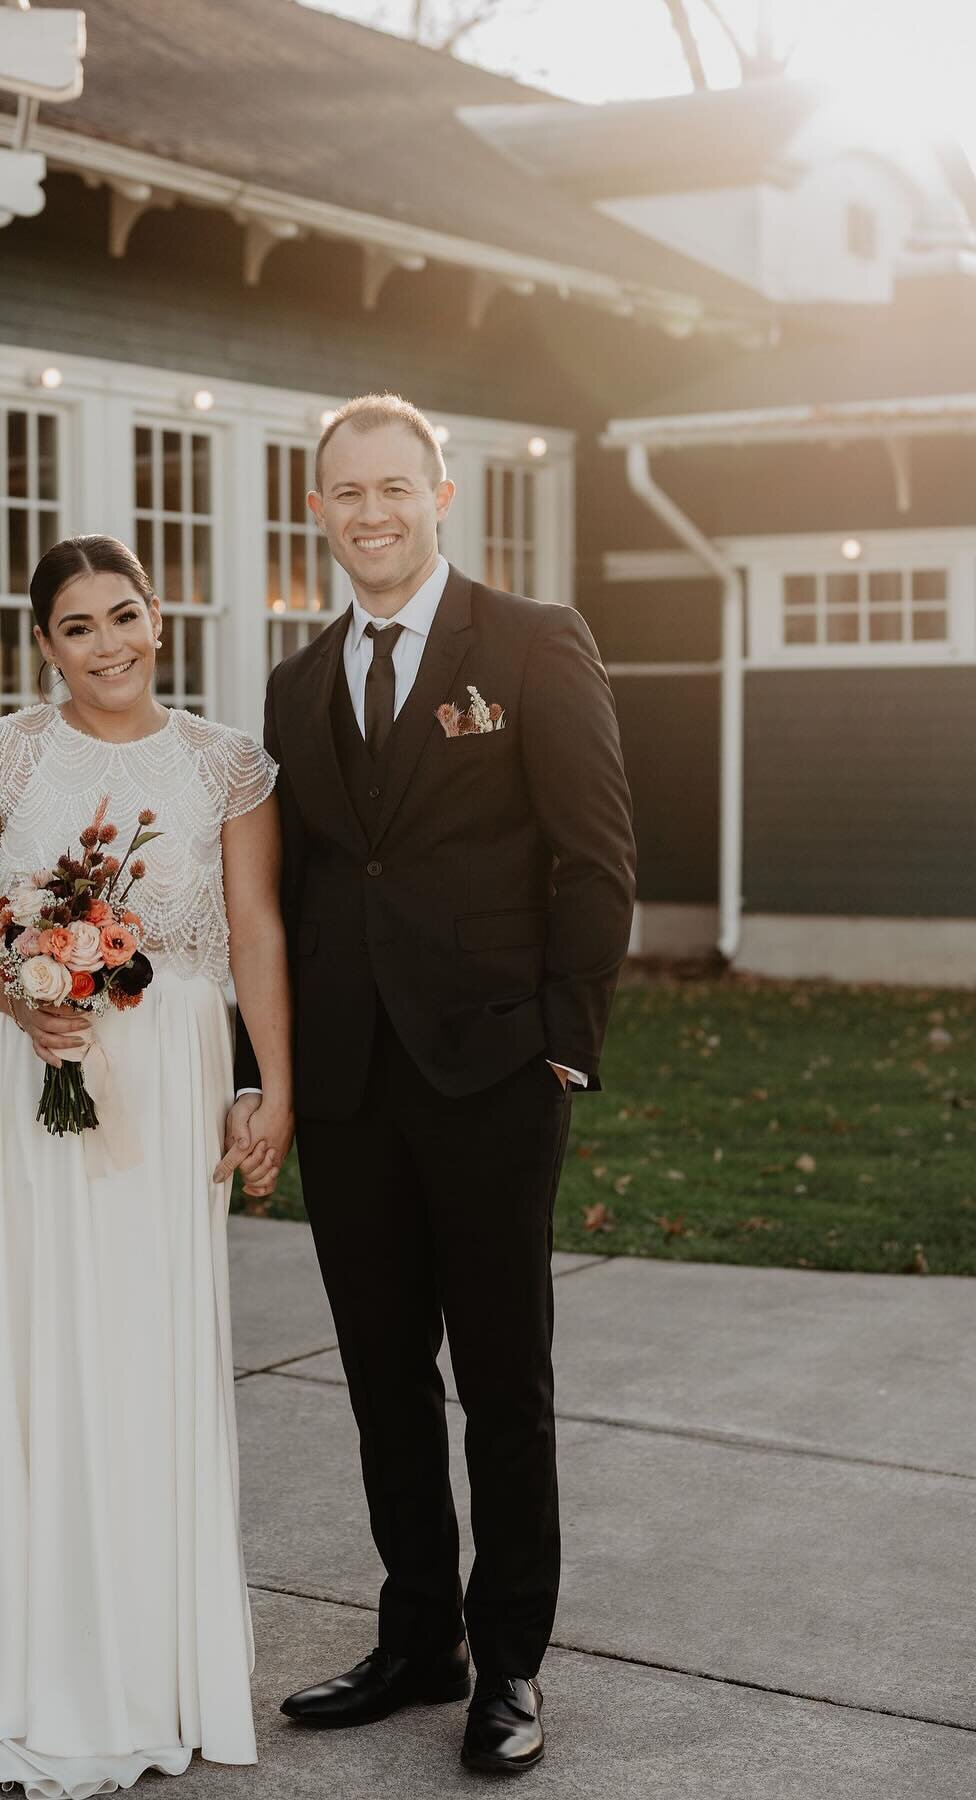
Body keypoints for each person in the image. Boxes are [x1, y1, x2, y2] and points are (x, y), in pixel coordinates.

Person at [229, 394, 637, 1776]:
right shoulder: (294, 684)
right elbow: (284, 892)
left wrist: (565, 1044)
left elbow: (597, 858)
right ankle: (417, 1637)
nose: (371, 512)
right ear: (318, 509)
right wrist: (265, 1075)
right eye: (346, 492)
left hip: (493, 1073)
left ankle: (509, 1660)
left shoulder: (531, 644)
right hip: (347, 1083)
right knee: (381, 1376)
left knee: (505, 1379)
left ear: (442, 493)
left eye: (394, 486)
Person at [0, 534, 293, 1799]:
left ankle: (147, 1669)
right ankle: (21, 1666)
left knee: (143, 1353)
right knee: (34, 1350)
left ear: (160, 619)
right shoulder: (0, 755)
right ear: (41, 644)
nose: (106, 644)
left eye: (124, 615)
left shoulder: (230, 766)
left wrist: (274, 1083)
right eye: (76, 627)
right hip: (25, 1071)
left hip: (170, 1081)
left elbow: (257, 928)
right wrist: (19, 993)